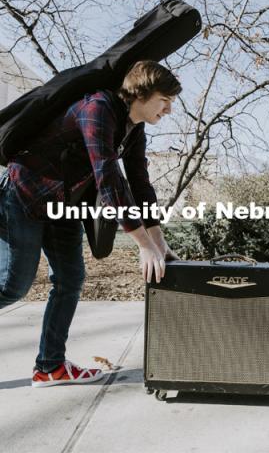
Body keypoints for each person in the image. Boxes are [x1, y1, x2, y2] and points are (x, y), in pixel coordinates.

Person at [0, 60, 179, 387]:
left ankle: (49, 367)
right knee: (14, 286)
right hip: (25, 194)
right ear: (141, 92)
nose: (168, 110)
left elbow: (139, 183)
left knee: (71, 279)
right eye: (164, 100)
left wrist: (159, 243)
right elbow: (108, 180)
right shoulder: (97, 108)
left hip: (63, 205)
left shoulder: (133, 128)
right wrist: (142, 245)